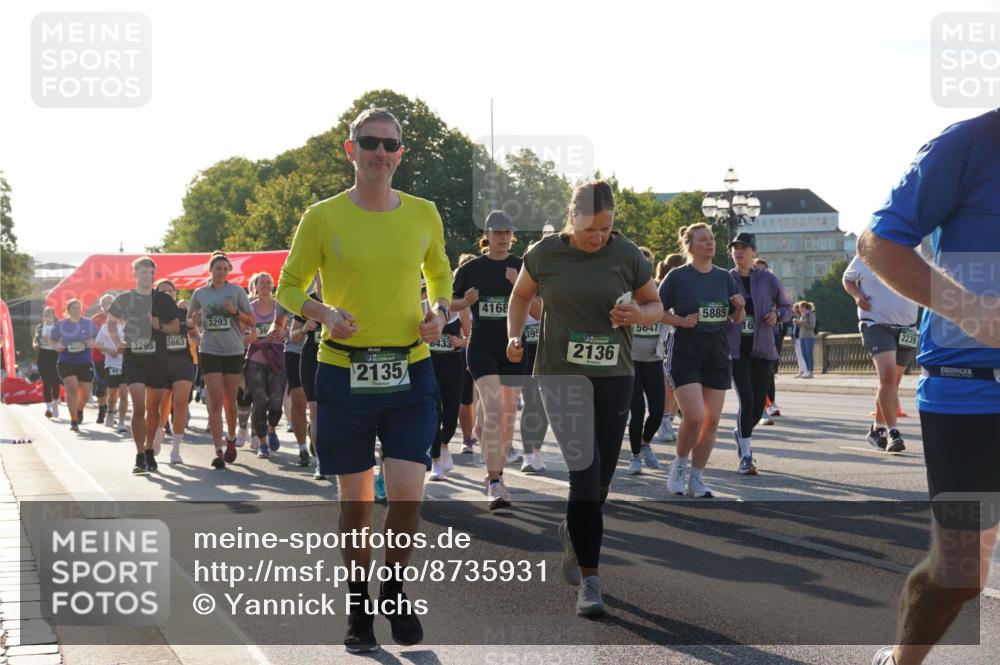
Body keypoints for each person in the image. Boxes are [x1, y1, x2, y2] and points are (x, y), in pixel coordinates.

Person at [275, 107, 452, 652]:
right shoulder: (322, 216)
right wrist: (324, 313)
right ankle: (358, 605)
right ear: (350, 150)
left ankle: (393, 590)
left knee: (407, 497)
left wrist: (440, 311)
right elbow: (287, 286)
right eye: (370, 143)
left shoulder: (423, 212)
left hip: (410, 370)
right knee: (355, 503)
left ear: (401, 154)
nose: (380, 153)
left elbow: (439, 272)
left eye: (390, 145)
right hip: (343, 372)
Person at [858, 109, 1000, 665]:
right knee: (959, 575)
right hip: (971, 395)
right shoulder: (971, 143)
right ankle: (901, 661)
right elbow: (878, 243)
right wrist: (971, 311)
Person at [507, 179, 663, 617]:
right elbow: (521, 296)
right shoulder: (544, 253)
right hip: (560, 375)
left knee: (601, 482)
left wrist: (639, 314)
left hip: (615, 374)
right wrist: (514, 335)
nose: (598, 237)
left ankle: (575, 531)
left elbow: (655, 304)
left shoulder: (627, 254)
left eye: (605, 228)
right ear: (571, 219)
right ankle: (591, 581)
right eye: (589, 229)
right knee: (584, 472)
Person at [661, 223, 745, 498]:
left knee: (712, 421)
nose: (710, 243)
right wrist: (681, 321)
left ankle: (697, 478)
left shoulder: (724, 277)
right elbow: (656, 311)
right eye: (702, 239)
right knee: (695, 417)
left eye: (711, 239)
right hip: (686, 349)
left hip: (716, 351)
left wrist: (740, 307)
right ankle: (679, 465)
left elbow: (736, 319)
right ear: (689, 246)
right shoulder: (677, 277)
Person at [450, 210, 526, 509]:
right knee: (495, 412)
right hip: (481, 346)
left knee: (507, 417)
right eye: (498, 232)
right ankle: (494, 482)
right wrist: (465, 301)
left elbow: (539, 310)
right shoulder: (471, 269)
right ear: (487, 235)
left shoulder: (521, 267)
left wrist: (519, 288)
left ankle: (498, 475)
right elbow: (448, 302)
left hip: (513, 348)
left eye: (508, 232)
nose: (503, 237)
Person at [107, 257, 182, 474]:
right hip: (134, 359)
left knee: (153, 409)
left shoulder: (163, 300)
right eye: (142, 272)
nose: (147, 276)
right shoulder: (125, 298)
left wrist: (160, 326)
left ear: (154, 275)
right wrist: (117, 341)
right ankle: (139, 455)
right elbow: (111, 321)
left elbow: (176, 326)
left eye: (150, 272)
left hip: (158, 359)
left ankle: (150, 449)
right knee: (139, 407)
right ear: (135, 274)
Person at [726, 233, 792, 475]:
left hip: (762, 349)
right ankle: (746, 456)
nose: (739, 252)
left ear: (754, 252)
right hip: (736, 351)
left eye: (744, 248)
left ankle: (741, 433)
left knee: (756, 406)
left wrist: (778, 315)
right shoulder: (726, 279)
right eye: (735, 248)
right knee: (746, 400)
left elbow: (787, 305)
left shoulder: (767, 279)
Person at [842, 255, 918, 453]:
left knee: (893, 383)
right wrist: (857, 296)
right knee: (888, 377)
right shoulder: (867, 255)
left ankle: (877, 429)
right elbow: (847, 279)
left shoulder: (914, 256)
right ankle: (893, 432)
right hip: (876, 324)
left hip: (908, 329)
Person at [188, 252, 254, 470]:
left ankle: (231, 439)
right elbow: (189, 323)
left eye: (226, 269)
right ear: (211, 270)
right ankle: (217, 450)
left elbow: (251, 320)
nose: (222, 272)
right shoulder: (200, 293)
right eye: (218, 268)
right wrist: (194, 326)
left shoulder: (237, 291)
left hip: (233, 351)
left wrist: (234, 312)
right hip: (210, 351)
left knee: (230, 402)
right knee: (215, 401)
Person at [627, 246, 667, 474]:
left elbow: (666, 316)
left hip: (653, 359)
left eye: (646, 263)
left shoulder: (657, 290)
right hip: (630, 361)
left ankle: (644, 443)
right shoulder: (624, 291)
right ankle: (635, 456)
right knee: (637, 411)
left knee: (658, 410)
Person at [424, 281, 466, 481]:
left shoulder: (461, 307)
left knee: (451, 416)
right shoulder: (423, 306)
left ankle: (444, 444)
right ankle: (435, 462)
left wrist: (460, 341)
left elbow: (471, 335)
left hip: (453, 365)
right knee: (435, 414)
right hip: (430, 366)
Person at [244, 272, 288, 459]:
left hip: (277, 359)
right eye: (261, 282)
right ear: (255, 286)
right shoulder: (249, 308)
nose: (264, 285)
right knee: (260, 403)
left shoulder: (280, 307)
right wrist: (249, 337)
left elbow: (290, 329)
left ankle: (271, 429)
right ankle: (262, 443)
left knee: (277, 403)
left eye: (268, 282)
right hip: (256, 359)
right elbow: (242, 334)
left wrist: (284, 333)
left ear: (273, 286)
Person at [154, 280, 197, 465]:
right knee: (161, 407)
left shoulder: (183, 314)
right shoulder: (152, 314)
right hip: (160, 365)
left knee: (180, 405)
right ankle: (158, 434)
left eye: (170, 290)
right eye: (163, 290)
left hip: (183, 363)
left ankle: (176, 449)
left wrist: (196, 339)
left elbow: (194, 334)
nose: (167, 293)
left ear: (175, 293)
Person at [289, 277, 324, 476]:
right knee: (315, 409)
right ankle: (321, 462)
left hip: (338, 361)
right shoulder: (307, 301)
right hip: (311, 360)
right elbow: (292, 335)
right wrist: (304, 328)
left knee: (336, 411)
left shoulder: (342, 297)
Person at [50, 300, 98, 433]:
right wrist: (56, 347)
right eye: (74, 308)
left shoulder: (88, 323)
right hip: (66, 361)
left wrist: (92, 341)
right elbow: (52, 340)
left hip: (85, 362)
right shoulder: (61, 325)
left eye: (79, 308)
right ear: (68, 310)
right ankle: (74, 420)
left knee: (86, 394)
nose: (77, 311)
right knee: (72, 389)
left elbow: (98, 337)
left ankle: (80, 409)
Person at [652, 254, 685, 443]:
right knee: (669, 386)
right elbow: (659, 313)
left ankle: (668, 421)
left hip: (679, 339)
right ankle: (664, 422)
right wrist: (681, 321)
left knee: (677, 386)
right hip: (664, 340)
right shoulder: (662, 285)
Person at [89, 294, 114, 425]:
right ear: (101, 306)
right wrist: (100, 346)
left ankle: (110, 411)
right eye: (106, 303)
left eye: (111, 303)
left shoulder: (120, 318)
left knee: (112, 386)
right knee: (101, 387)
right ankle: (101, 409)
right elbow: (91, 338)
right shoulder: (95, 319)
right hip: (99, 357)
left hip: (115, 357)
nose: (109, 305)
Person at [33, 307, 61, 419]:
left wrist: (53, 341)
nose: (47, 314)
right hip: (43, 354)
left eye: (49, 313)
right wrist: (35, 344)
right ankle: (48, 408)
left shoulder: (58, 326)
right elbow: (35, 339)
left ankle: (55, 401)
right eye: (45, 313)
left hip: (55, 354)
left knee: (55, 380)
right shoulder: (39, 326)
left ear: (54, 314)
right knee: (46, 382)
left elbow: (62, 339)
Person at [794, 301, 816, 378]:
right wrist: (798, 323)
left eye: (800, 307)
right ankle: (807, 370)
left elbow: (812, 326)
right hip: (802, 337)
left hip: (809, 337)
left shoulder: (810, 314)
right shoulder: (802, 315)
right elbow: (802, 326)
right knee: (804, 354)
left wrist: (801, 322)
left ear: (803, 307)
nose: (799, 309)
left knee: (809, 354)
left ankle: (811, 371)